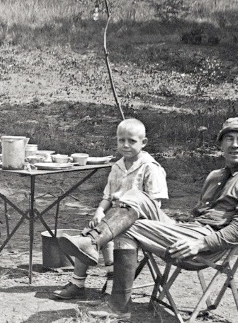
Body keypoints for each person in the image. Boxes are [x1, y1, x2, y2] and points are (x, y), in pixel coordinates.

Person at [56, 116, 238, 321]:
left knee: (126, 227)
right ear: (221, 144)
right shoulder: (215, 176)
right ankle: (92, 242)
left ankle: (117, 302)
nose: (235, 145)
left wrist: (200, 243)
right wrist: (179, 225)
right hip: (189, 229)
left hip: (207, 244)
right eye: (229, 139)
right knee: (135, 195)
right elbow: (199, 214)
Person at [53, 117, 168, 304]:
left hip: (141, 220)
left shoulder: (150, 167)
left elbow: (154, 205)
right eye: (121, 140)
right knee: (90, 232)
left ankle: (113, 284)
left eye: (132, 141)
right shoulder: (117, 166)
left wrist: (126, 216)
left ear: (144, 142)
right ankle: (77, 283)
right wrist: (100, 211)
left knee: (111, 236)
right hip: (114, 218)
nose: (126, 145)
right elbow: (108, 196)